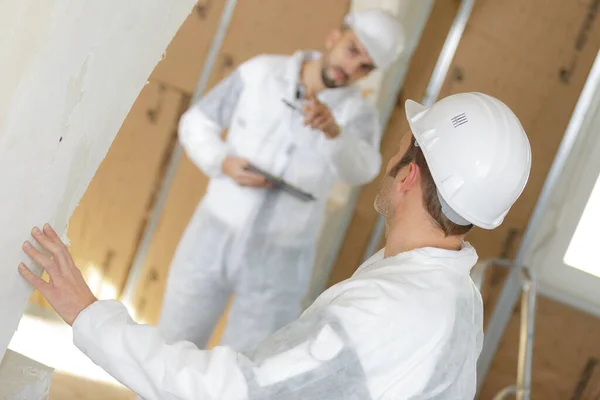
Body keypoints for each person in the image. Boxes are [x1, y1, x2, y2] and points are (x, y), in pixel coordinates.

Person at [19, 91, 531, 399]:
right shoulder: (453, 296)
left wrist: (88, 314)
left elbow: (232, 392)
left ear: (407, 176)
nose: (389, 156)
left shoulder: (393, 309)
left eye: (397, 150)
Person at [157, 9, 405, 352]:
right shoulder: (261, 73)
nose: (351, 69)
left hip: (280, 261)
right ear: (334, 37)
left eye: (365, 67)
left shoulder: (356, 115)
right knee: (173, 346)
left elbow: (362, 169)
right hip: (212, 236)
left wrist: (335, 133)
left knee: (249, 365)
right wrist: (221, 162)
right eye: (352, 51)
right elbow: (196, 122)